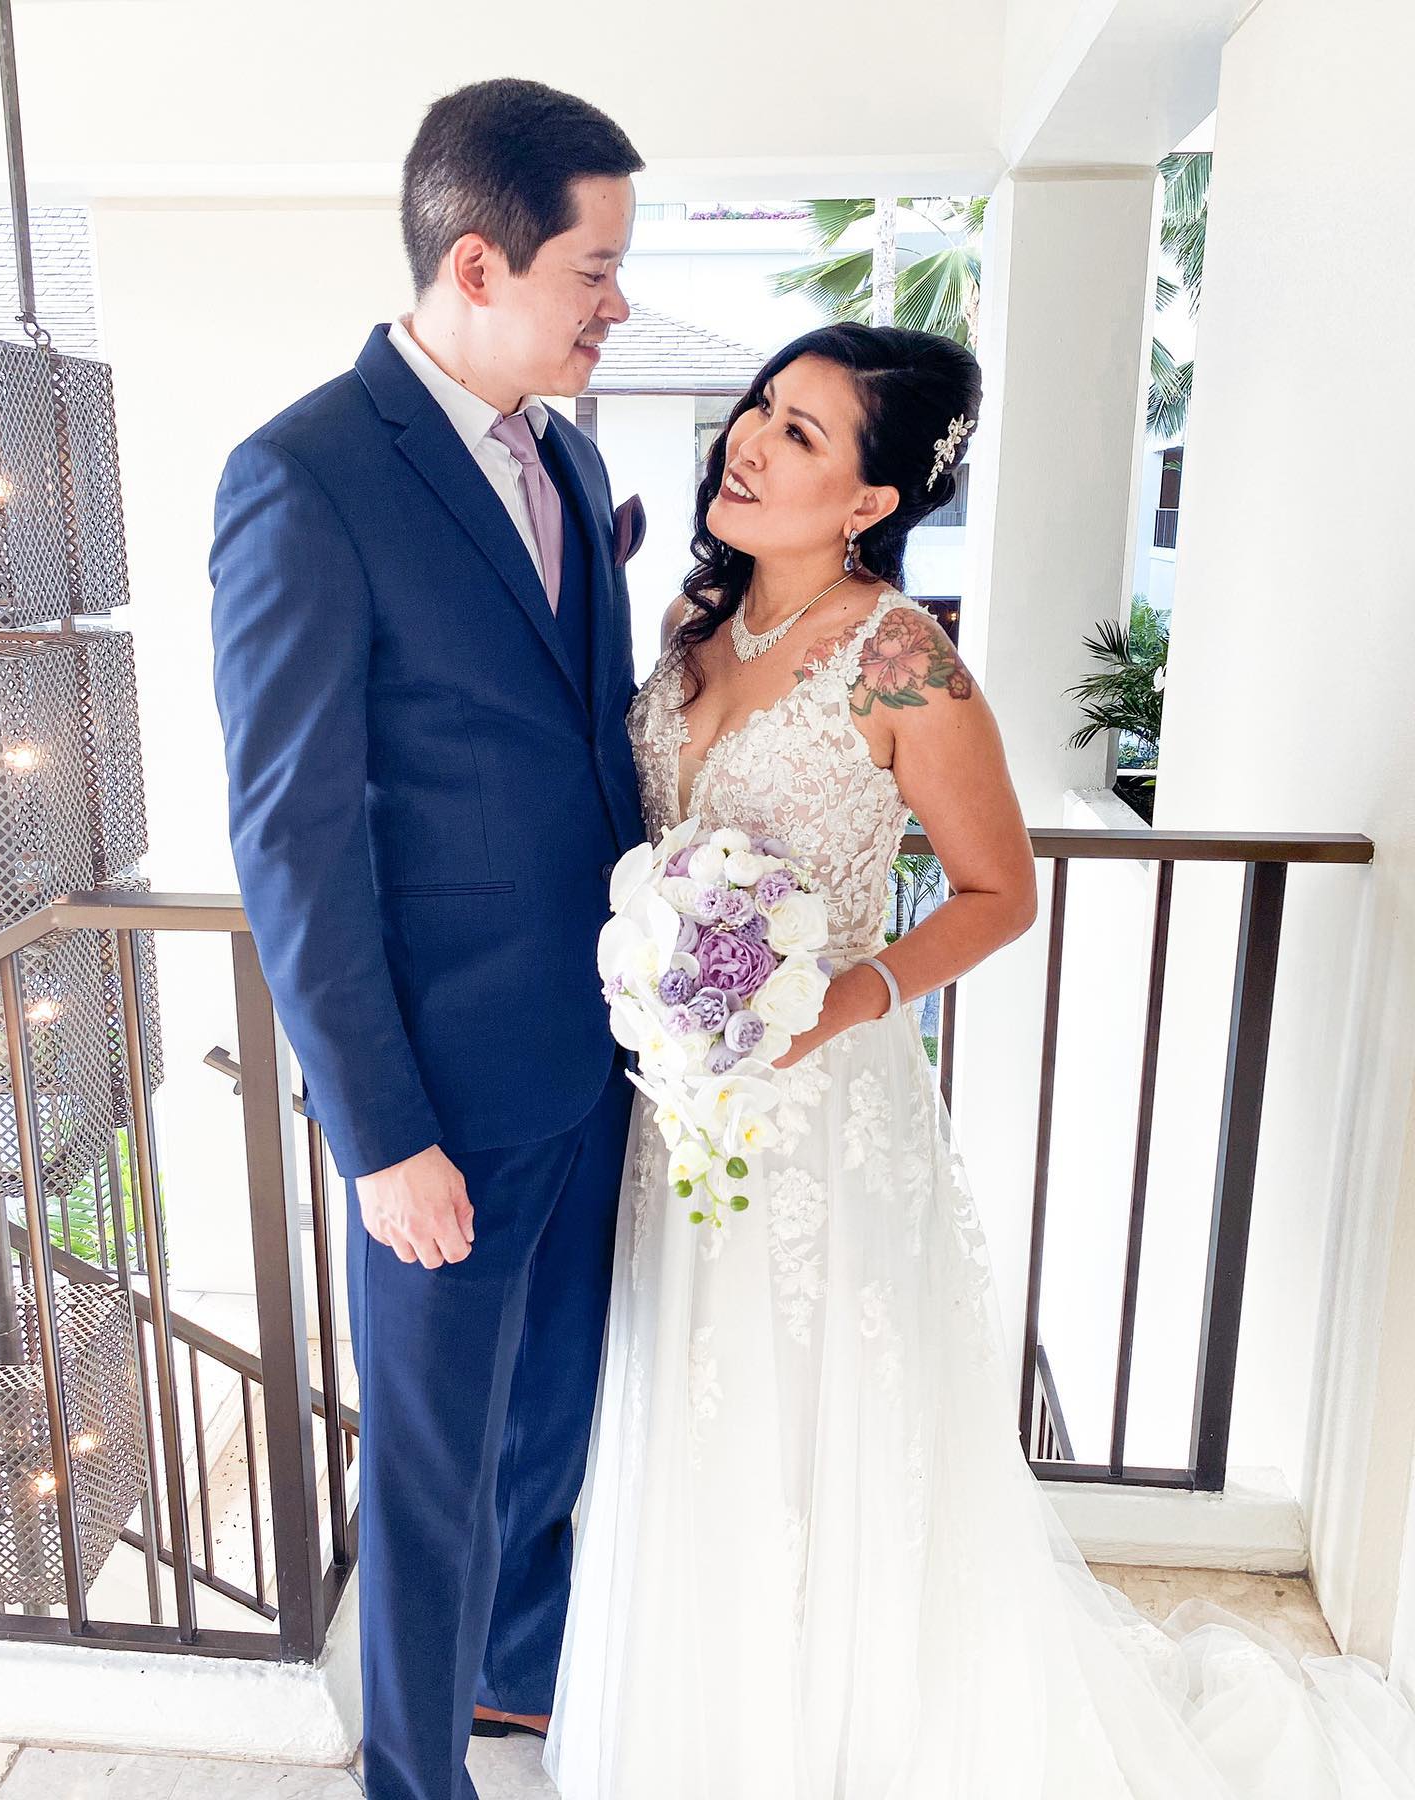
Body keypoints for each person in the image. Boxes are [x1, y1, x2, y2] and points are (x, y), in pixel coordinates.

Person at [545, 323, 1415, 1797]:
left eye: (804, 435)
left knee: (830, 1415)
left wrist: (849, 994)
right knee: (697, 1399)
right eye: (763, 410)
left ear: (872, 502)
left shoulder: (898, 656)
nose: (752, 442)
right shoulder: (693, 629)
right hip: (683, 1109)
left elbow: (999, 891)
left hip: (822, 1105)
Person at [209, 78, 646, 1800]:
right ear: (480, 260)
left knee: (552, 1427)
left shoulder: (576, 455)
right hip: (440, 1099)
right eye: (594, 270)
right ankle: (413, 1771)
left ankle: (517, 1685)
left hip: (597, 1063)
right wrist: (376, 1130)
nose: (619, 302)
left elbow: (588, 744)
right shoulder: (304, 476)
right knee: (429, 1468)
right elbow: (293, 840)